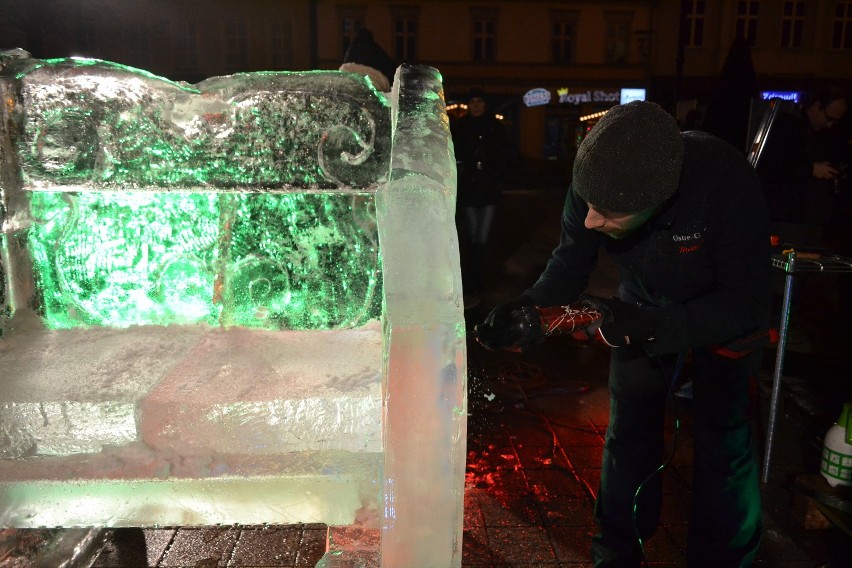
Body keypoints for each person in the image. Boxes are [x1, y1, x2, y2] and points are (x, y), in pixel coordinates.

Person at [475, 101, 770, 567]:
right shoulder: (598, 177)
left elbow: (749, 302)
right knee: (628, 430)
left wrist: (657, 327)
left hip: (723, 310)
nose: (592, 220)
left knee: (725, 442)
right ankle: (615, 551)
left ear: (660, 202)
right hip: (642, 302)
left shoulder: (727, 185)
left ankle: (724, 558)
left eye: (607, 213)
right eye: (587, 205)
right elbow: (570, 263)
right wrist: (530, 308)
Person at [756, 86, 848, 247]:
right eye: (829, 118)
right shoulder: (788, 125)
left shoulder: (822, 134)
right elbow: (772, 165)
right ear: (816, 107)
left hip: (810, 218)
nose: (830, 125)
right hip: (788, 217)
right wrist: (810, 168)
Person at [451, 88, 508, 302]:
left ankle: (479, 279)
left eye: (479, 101)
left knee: (482, 237)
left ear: (485, 104)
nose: (475, 105)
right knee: (473, 236)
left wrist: (495, 172)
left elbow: (505, 155)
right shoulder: (461, 126)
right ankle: (470, 279)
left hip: (489, 188)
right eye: (472, 101)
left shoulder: (495, 127)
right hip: (469, 188)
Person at [339, 28, 397, 92]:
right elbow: (387, 65)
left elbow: (346, 62)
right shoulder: (376, 49)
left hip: (352, 78)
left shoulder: (352, 48)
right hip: (375, 80)